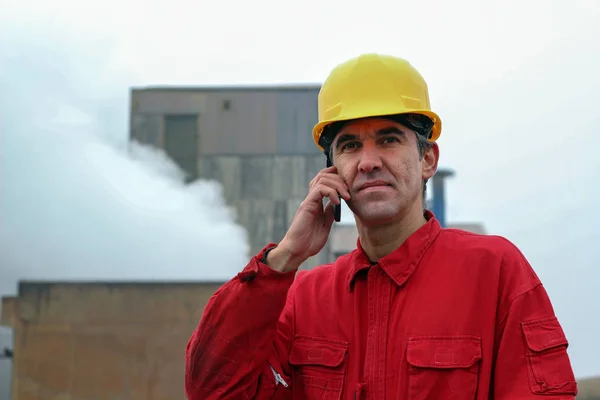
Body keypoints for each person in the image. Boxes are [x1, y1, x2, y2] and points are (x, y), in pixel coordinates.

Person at [184, 53, 578, 399]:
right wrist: (284, 257)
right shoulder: (303, 299)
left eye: (388, 139)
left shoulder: (493, 272)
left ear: (428, 160)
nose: (368, 161)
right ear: (331, 170)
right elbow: (212, 390)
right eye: (350, 145)